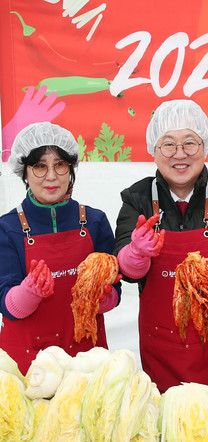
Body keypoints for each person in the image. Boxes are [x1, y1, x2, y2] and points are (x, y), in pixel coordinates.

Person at [114, 100, 208, 396]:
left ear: (205, 147)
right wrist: (136, 254)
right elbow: (126, 272)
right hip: (161, 350)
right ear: (154, 150)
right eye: (168, 144)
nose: (180, 154)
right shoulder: (137, 198)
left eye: (190, 142)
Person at [0, 122, 120, 373]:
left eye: (60, 165)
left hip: (86, 362)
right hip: (30, 366)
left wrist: (103, 299)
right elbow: (6, 303)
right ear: (25, 172)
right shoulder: (7, 228)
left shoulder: (95, 221)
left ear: (71, 169)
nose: (51, 176)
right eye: (40, 166)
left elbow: (115, 288)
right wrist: (28, 293)